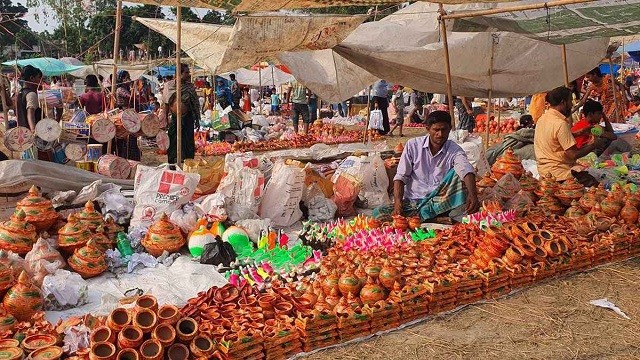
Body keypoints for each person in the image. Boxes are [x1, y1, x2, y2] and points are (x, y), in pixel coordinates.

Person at [372, 111, 479, 222]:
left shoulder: (454, 149)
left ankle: (423, 218)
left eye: (444, 130)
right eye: (436, 130)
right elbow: (400, 177)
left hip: (439, 202)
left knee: (460, 174)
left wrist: (473, 195)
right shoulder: (412, 145)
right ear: (428, 129)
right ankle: (432, 219)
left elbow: (466, 169)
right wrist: (398, 204)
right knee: (378, 213)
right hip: (413, 202)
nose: (440, 134)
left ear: (450, 129)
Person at [534, 86, 608, 187]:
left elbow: (553, 138)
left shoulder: (542, 119)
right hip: (560, 174)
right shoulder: (560, 123)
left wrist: (579, 132)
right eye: (570, 101)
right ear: (563, 102)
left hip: (544, 172)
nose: (571, 104)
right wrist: (594, 145)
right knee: (598, 188)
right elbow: (573, 154)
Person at [167, 63, 199, 164]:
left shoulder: (190, 87)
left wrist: (197, 119)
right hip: (175, 118)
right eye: (186, 72)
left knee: (188, 141)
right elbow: (165, 103)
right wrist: (164, 118)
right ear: (179, 74)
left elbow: (195, 104)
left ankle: (188, 163)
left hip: (188, 118)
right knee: (173, 140)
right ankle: (172, 162)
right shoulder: (170, 86)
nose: (188, 74)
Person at [115, 70, 141, 161]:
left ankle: (133, 158)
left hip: (129, 115)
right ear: (122, 79)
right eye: (127, 78)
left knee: (132, 138)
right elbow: (130, 97)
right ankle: (126, 158)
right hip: (124, 116)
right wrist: (132, 88)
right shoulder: (120, 89)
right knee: (127, 138)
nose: (129, 80)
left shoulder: (125, 89)